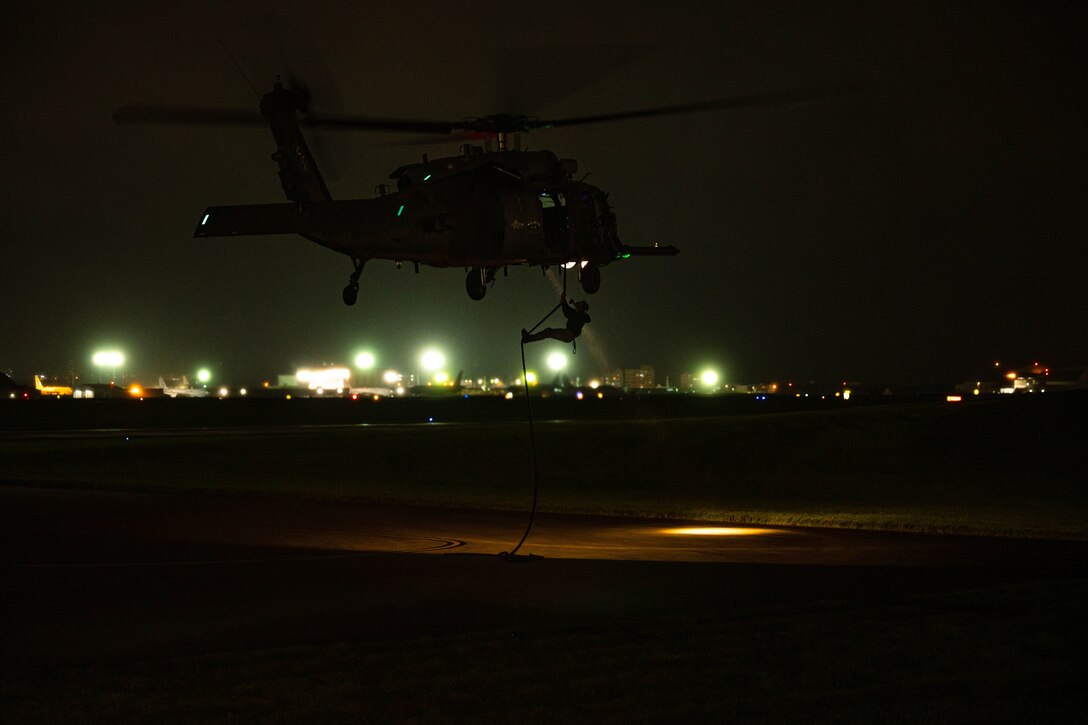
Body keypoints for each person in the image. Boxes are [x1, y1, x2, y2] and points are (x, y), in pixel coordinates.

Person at [522, 292, 591, 344]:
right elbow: (567, 312)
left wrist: (571, 303)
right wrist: (564, 301)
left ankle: (528, 339)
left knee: (547, 332)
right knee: (547, 331)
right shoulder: (576, 314)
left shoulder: (582, 317)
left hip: (567, 335)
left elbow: (581, 314)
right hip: (566, 334)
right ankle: (528, 338)